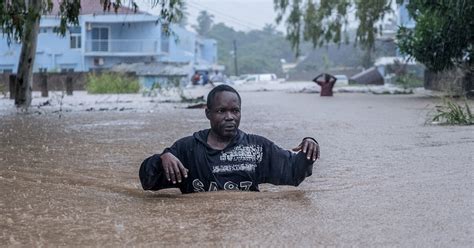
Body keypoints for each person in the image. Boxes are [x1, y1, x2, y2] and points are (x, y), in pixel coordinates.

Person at [139, 85, 320, 194]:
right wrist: (163, 157)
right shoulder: (187, 149)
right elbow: (148, 181)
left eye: (235, 111)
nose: (230, 117)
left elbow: (294, 173)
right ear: (208, 113)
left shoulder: (257, 148)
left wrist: (310, 146)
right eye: (221, 111)